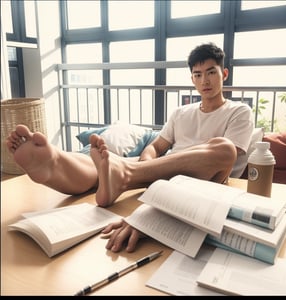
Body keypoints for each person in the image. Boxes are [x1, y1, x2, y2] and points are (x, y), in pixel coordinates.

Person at [6, 42, 254, 253]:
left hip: (203, 181)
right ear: (192, 79)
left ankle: (125, 175)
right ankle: (54, 162)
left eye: (211, 72)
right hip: (164, 173)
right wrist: (148, 166)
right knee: (105, 161)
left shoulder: (239, 111)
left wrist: (148, 172)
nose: (204, 80)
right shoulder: (181, 113)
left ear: (224, 74)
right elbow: (156, 147)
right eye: (198, 75)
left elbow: (228, 160)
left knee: (225, 149)